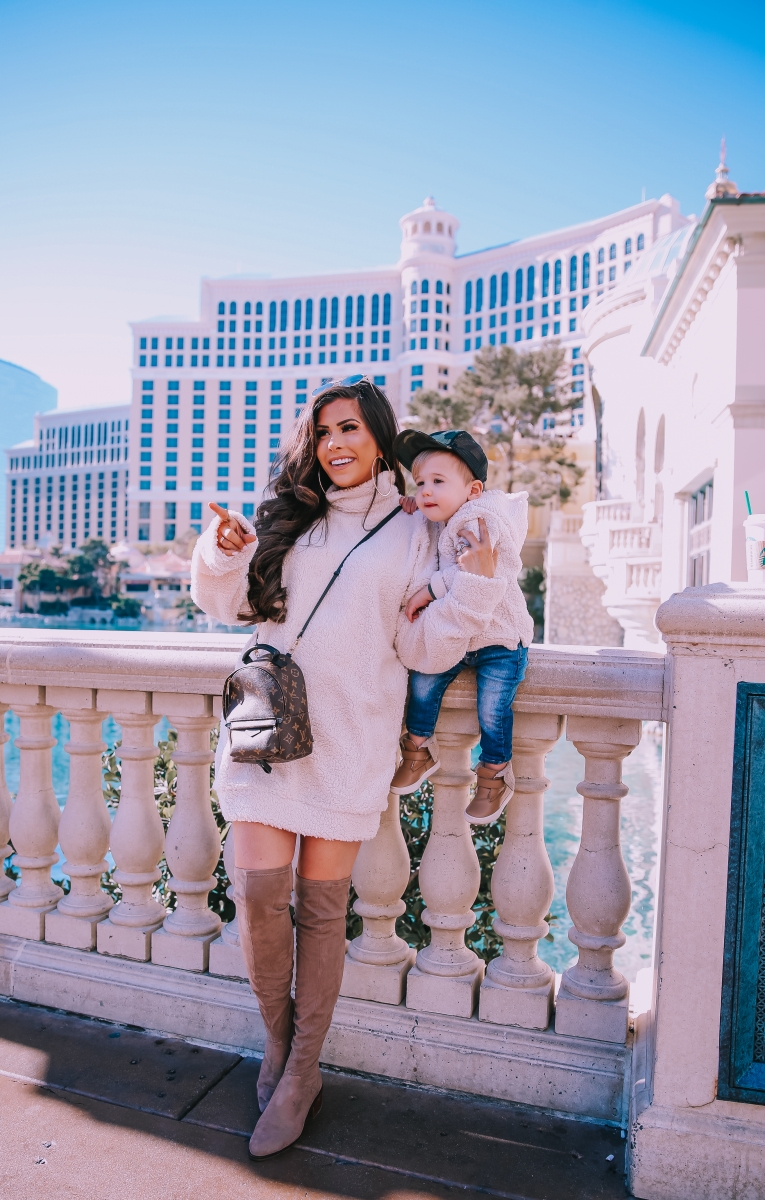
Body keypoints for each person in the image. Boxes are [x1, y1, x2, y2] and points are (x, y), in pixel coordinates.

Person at [190, 378, 505, 1160]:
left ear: (379, 439)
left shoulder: (410, 531)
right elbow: (227, 608)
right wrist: (223, 554)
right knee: (260, 892)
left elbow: (425, 648)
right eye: (325, 430)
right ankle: (276, 1045)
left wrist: (476, 583)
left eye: (352, 430)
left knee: (322, 910)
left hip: (352, 736)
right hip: (268, 733)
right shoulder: (286, 517)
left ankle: (301, 1073)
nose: (336, 443)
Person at [389, 428, 534, 824]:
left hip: (500, 638)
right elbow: (431, 521)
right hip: (463, 637)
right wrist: (412, 504)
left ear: (472, 490)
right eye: (420, 484)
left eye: (438, 482)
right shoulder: (449, 514)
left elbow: (477, 566)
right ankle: (418, 748)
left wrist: (430, 590)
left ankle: (494, 772)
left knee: (492, 709)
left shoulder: (478, 518)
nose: (426, 492)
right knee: (423, 680)